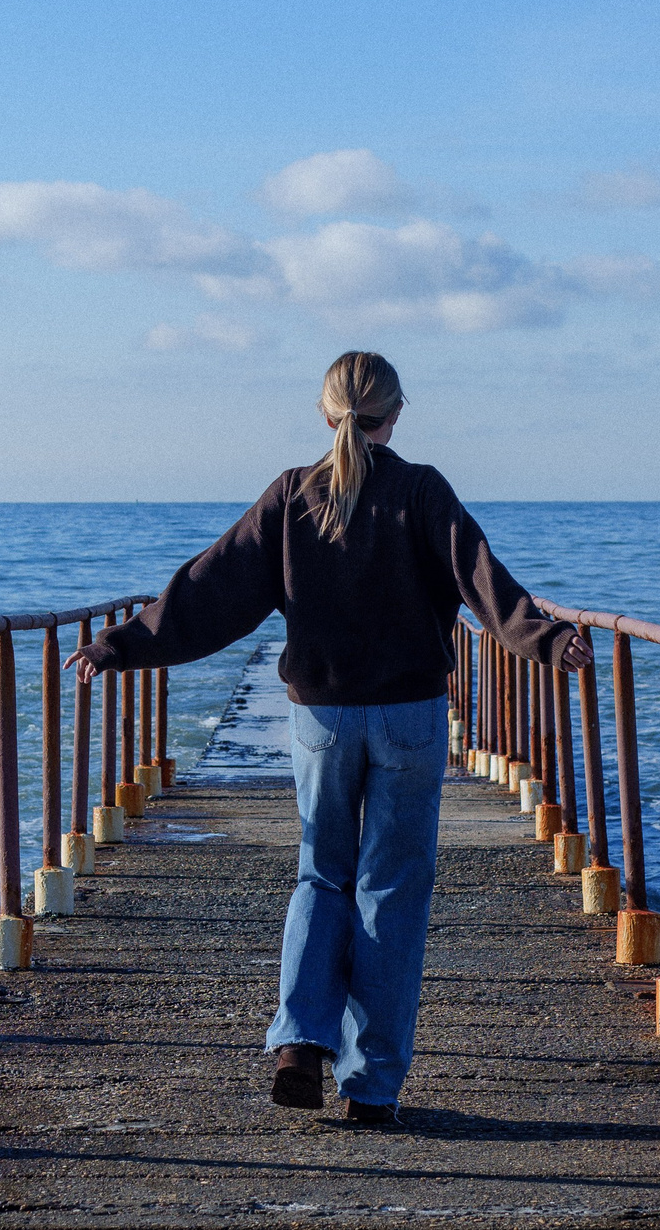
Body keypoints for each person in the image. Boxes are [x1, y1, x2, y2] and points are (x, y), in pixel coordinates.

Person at [70, 351, 587, 1125]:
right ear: (396, 412)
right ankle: (371, 1087)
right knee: (392, 888)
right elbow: (487, 582)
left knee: (321, 874)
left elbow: (212, 587)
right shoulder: (422, 489)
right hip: (409, 718)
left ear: (325, 412)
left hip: (319, 719)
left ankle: (299, 1040)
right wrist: (546, 640)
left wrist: (121, 645)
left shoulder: (292, 494)